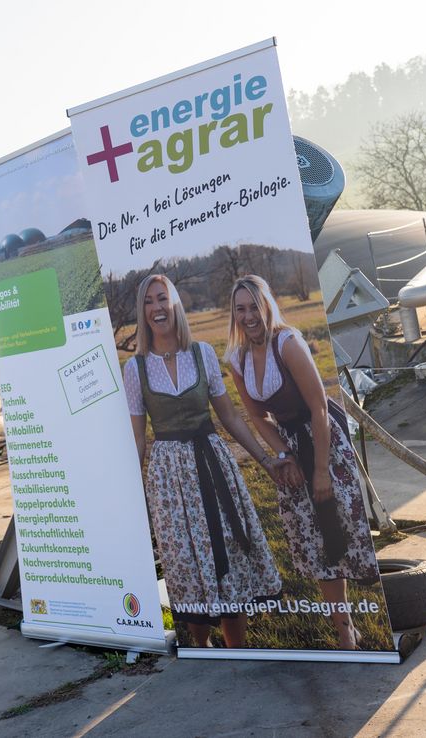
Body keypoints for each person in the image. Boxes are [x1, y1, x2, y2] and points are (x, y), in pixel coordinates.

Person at [123, 274, 284, 649]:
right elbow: (137, 439)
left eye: (163, 298)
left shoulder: (203, 354)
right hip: (168, 476)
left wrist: (265, 459)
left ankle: (236, 646)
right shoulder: (136, 369)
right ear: (142, 311)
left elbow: (228, 416)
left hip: (212, 464)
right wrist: (133, 497)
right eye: (149, 301)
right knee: (184, 559)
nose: (157, 307)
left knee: (226, 547)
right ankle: (202, 646)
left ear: (175, 304)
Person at [224, 274, 379, 650]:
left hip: (322, 437)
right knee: (316, 539)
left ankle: (363, 616)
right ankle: (346, 631)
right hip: (291, 442)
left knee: (339, 525)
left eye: (254, 306)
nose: (249, 316)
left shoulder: (288, 343)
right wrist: (284, 455)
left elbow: (319, 406)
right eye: (240, 309)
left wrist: (321, 469)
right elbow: (258, 416)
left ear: (268, 304)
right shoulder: (238, 358)